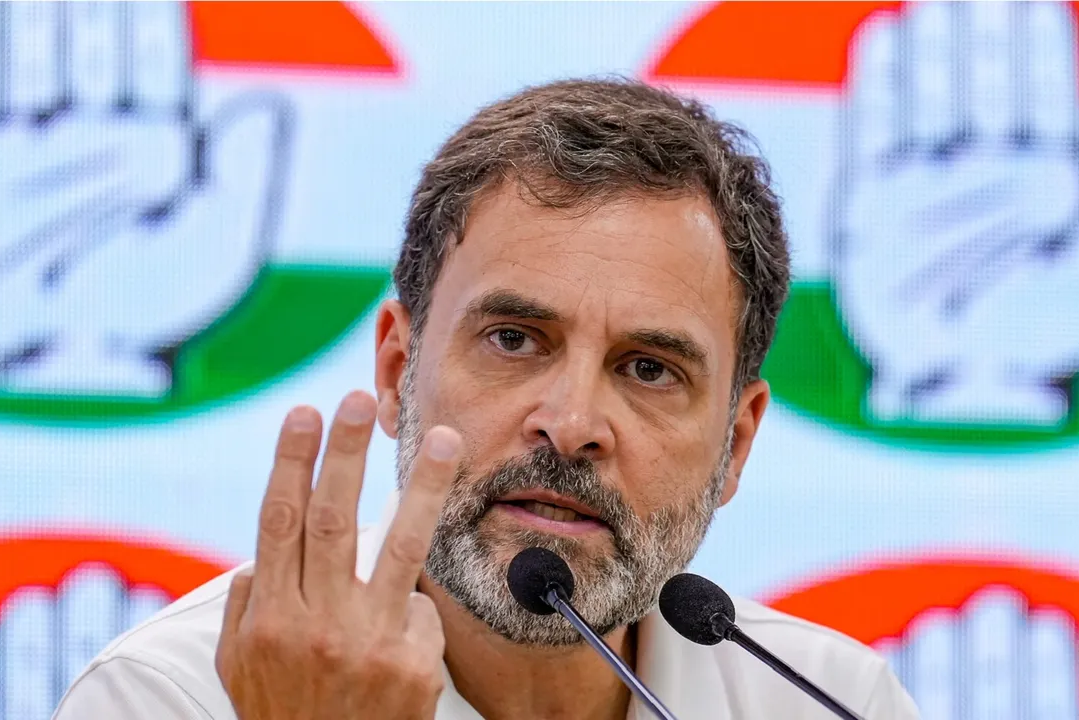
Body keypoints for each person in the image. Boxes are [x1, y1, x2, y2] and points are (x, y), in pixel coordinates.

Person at [52, 78, 919, 720]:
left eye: (649, 368)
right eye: (514, 340)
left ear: (735, 447)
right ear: (398, 371)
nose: (572, 425)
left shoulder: (831, 703)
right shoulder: (170, 697)